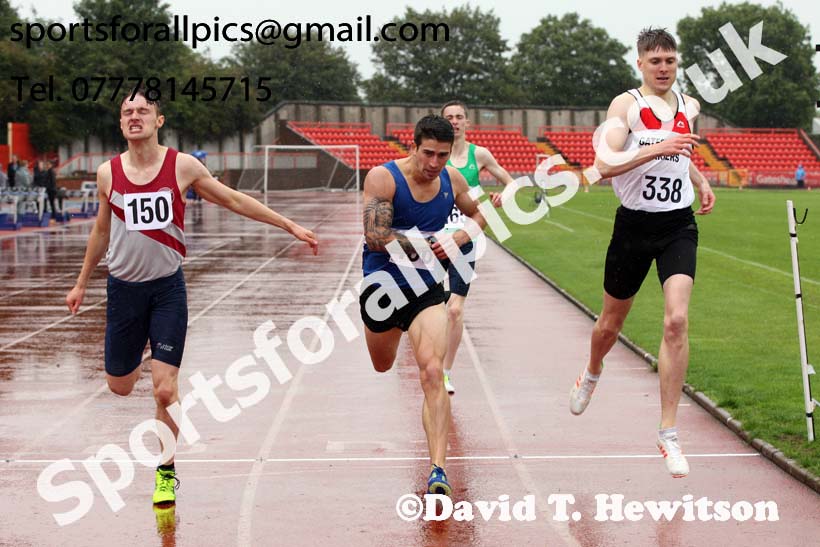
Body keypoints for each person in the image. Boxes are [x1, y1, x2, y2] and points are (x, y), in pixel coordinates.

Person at [65, 88, 318, 505]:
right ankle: (143, 349)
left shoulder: (182, 166)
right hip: (123, 292)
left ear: (158, 120)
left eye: (143, 110)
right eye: (127, 111)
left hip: (167, 289)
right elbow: (101, 230)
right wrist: (80, 283)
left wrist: (288, 225)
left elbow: (234, 199)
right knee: (120, 386)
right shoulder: (107, 173)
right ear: (120, 122)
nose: (135, 116)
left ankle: (166, 472)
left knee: (164, 390)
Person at [568, 28, 715, 478]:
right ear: (640, 65)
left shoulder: (689, 106)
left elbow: (680, 154)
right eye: (656, 62)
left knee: (676, 320)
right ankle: (592, 371)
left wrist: (699, 178)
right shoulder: (625, 106)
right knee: (610, 325)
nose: (664, 68)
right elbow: (604, 165)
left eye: (670, 60)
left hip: (677, 225)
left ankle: (668, 432)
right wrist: (656, 146)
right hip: (633, 227)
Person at [360, 115, 486, 496]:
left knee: (432, 373)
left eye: (442, 156)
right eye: (428, 153)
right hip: (382, 290)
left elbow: (481, 215)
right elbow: (375, 234)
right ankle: (394, 336)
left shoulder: (453, 181)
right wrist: (418, 244)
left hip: (427, 289)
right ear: (413, 146)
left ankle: (438, 471)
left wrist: (460, 235)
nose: (434, 164)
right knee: (383, 365)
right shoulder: (383, 178)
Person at [439, 100, 515, 394]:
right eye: (449, 117)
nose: (455, 121)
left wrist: (500, 199)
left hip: (466, 237)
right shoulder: (434, 154)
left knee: (455, 310)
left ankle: (445, 371)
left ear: (467, 122)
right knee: (429, 306)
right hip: (431, 237)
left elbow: (511, 183)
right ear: (443, 122)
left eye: (459, 117)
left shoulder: (478, 154)